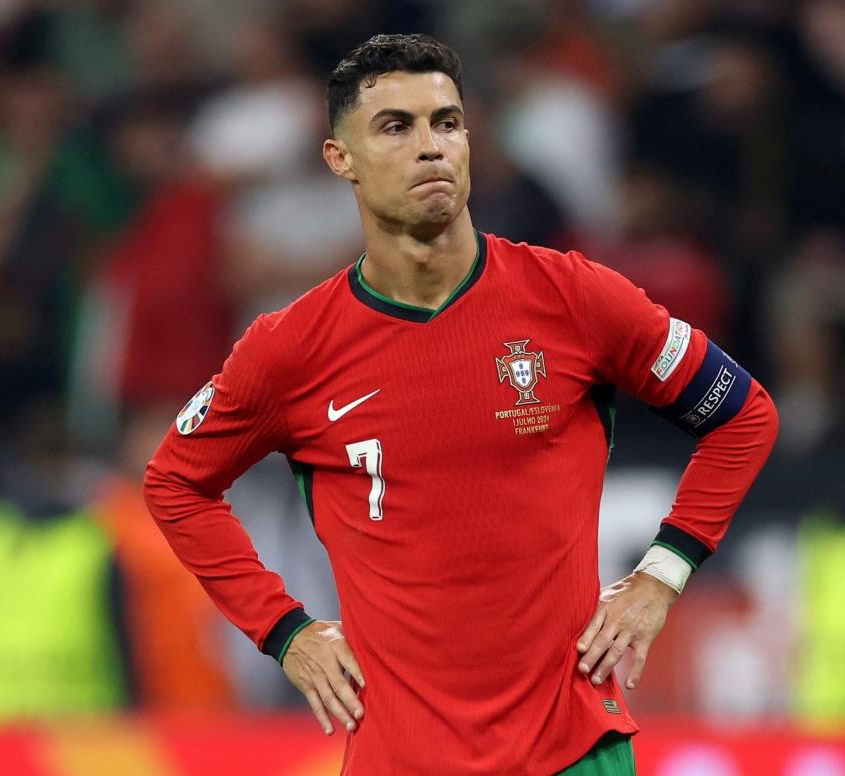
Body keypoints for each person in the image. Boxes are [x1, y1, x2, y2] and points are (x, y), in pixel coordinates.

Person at [144, 34, 778, 775]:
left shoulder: (571, 296)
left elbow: (744, 414)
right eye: (395, 127)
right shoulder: (291, 349)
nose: (430, 147)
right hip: (401, 758)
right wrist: (287, 632)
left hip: (573, 752)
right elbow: (175, 483)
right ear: (338, 159)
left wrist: (661, 576)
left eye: (446, 122)